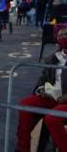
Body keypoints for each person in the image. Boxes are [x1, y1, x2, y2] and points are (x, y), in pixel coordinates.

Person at [16, 23, 67, 152]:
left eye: (66, 34)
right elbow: (42, 80)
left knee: (52, 117)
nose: (63, 37)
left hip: (65, 101)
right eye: (60, 35)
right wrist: (41, 90)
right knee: (25, 105)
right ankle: (23, 148)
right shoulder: (52, 58)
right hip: (52, 97)